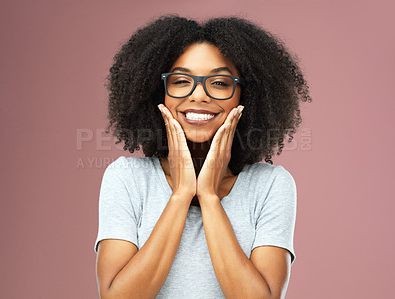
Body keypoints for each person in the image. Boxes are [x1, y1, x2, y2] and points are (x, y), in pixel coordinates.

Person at [94, 15, 312, 298]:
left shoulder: (271, 185)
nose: (199, 95)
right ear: (159, 91)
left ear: (245, 96)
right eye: (182, 80)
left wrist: (208, 196)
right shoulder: (126, 178)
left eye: (220, 83)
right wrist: (182, 194)